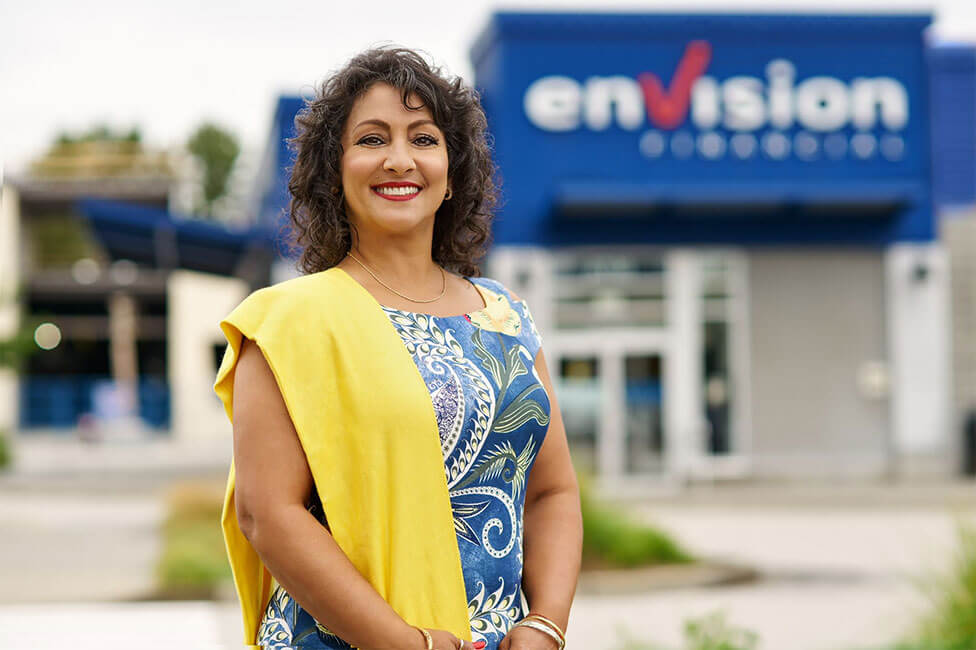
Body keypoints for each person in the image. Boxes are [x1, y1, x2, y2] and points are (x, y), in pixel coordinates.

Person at [214, 46, 582, 650]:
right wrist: (406, 643)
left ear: (452, 171)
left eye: (423, 139)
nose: (399, 160)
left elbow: (552, 491)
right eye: (371, 139)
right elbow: (268, 514)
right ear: (333, 170)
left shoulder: (505, 317)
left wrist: (545, 624)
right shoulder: (289, 321)